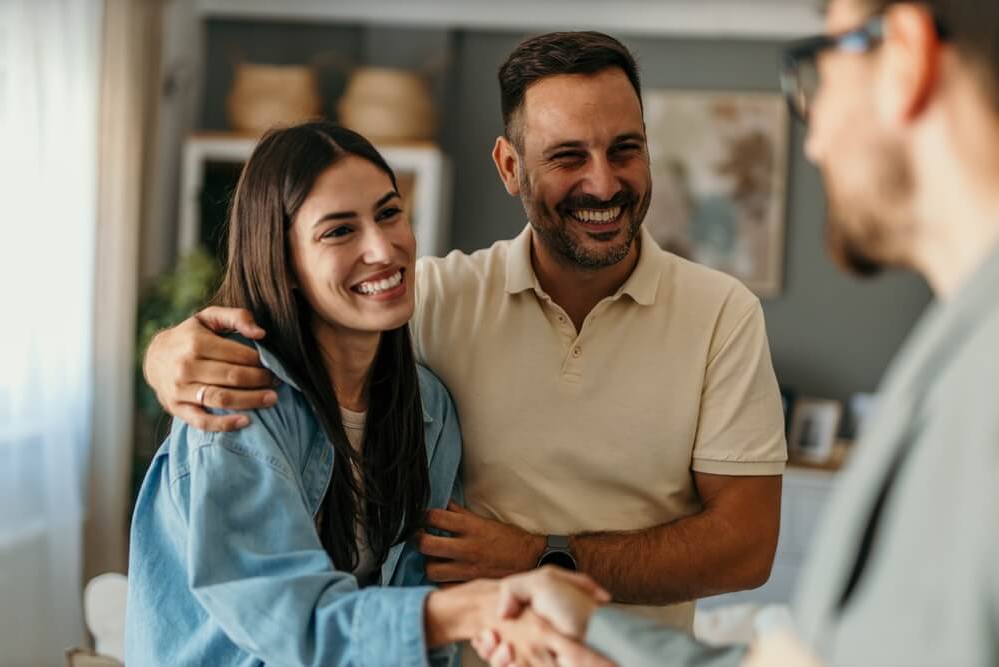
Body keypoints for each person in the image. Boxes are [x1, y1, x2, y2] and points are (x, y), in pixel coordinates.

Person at [141, 31, 788, 661]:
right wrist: (165, 352)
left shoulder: (720, 315)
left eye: (625, 149)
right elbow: (311, 311)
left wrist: (540, 556)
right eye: (567, 156)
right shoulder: (434, 299)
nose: (603, 182)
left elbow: (746, 547)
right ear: (510, 166)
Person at [481, 0, 999, 664]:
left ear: (905, 58)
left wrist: (545, 562)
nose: (814, 140)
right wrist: (595, 629)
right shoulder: (954, 350)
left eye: (817, 65)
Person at [125, 121, 610, 666]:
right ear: (282, 264)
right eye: (338, 231)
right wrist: (482, 607)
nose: (382, 249)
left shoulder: (428, 409)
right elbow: (289, 622)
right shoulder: (239, 399)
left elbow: (411, 614)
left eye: (388, 212)